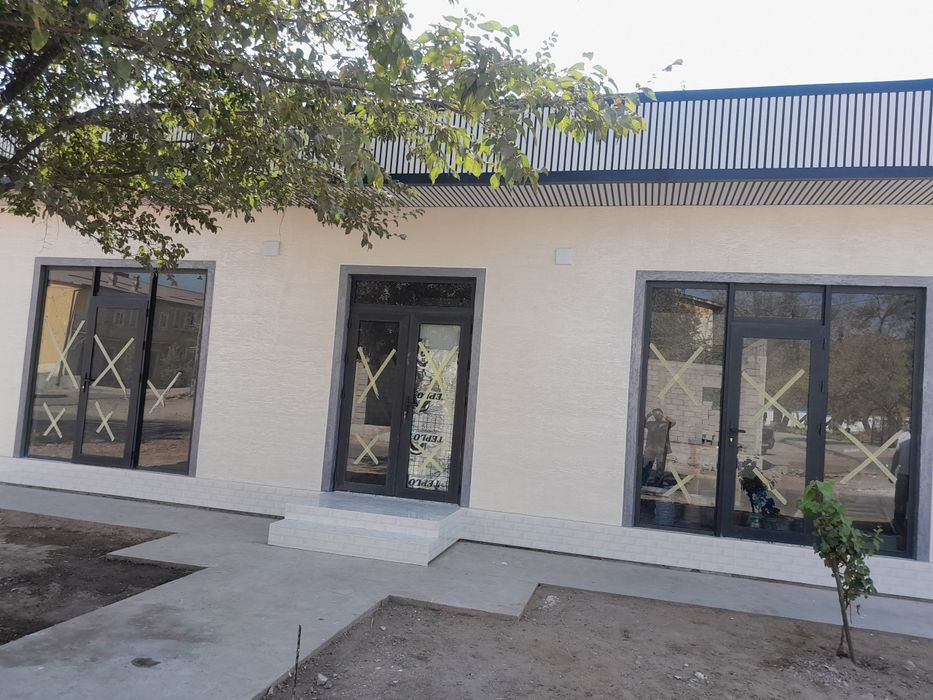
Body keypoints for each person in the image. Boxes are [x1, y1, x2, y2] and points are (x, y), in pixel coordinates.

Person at [643, 408, 675, 487]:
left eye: (659, 414)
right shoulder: (650, 423)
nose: (657, 415)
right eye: (656, 414)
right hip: (651, 449)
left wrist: (665, 416)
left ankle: (657, 484)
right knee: (646, 467)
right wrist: (650, 414)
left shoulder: (666, 424)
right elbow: (643, 423)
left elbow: (674, 422)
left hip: (661, 450)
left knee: (660, 469)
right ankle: (643, 482)